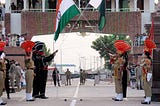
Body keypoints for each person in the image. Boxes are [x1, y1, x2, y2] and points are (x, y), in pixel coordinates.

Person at [140, 38, 156, 104]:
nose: (142, 54)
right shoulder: (145, 60)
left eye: (143, 53)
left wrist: (144, 65)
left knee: (147, 86)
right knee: (145, 86)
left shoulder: (147, 60)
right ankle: (147, 98)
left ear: (146, 55)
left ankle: (148, 99)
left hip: (147, 74)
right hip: (145, 74)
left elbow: (148, 67)